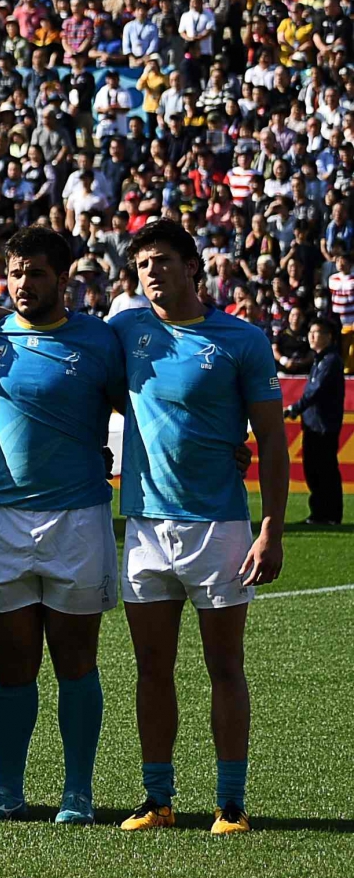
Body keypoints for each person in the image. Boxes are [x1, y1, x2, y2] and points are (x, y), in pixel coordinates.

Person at [109, 219, 286, 833]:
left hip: (219, 527)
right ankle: (157, 799)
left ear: (192, 267)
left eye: (161, 261)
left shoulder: (241, 339)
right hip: (146, 528)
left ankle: (230, 803)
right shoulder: (126, 330)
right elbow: (68, 358)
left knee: (224, 666)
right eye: (141, 265)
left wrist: (271, 529)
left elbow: (269, 438)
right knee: (151, 668)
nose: (151, 273)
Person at [0, 225, 123, 825]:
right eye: (15, 272)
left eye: (35, 273)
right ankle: (8, 789)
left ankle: (77, 791)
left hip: (77, 517)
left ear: (64, 279)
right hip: (2, 516)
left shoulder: (100, 341)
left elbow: (146, 408)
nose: (23, 284)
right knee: (11, 659)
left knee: (76, 657)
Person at [296, 320, 343, 527]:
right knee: (314, 470)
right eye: (310, 332)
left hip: (323, 426)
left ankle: (330, 514)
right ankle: (319, 513)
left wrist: (293, 408)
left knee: (325, 470)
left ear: (329, 336)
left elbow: (315, 391)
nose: (311, 336)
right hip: (313, 424)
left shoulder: (331, 360)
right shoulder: (319, 360)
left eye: (317, 332)